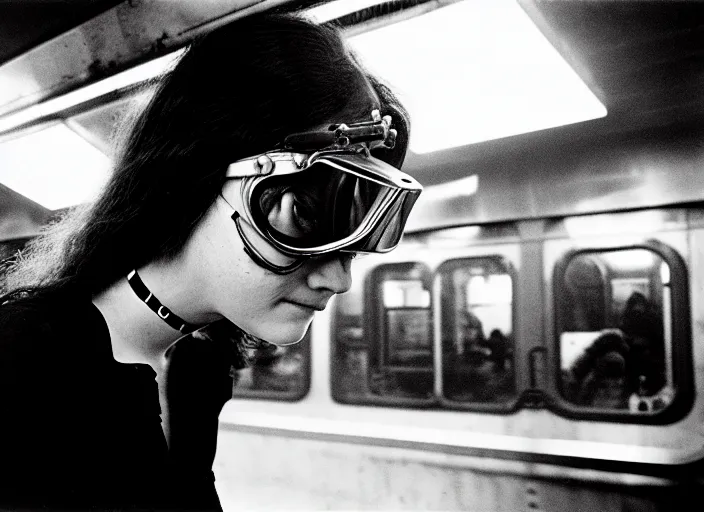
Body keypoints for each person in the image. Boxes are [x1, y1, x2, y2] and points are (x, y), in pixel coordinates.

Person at [0, 12, 420, 511]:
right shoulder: (21, 359)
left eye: (353, 238)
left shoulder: (200, 367)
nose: (339, 277)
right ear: (197, 172)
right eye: (303, 213)